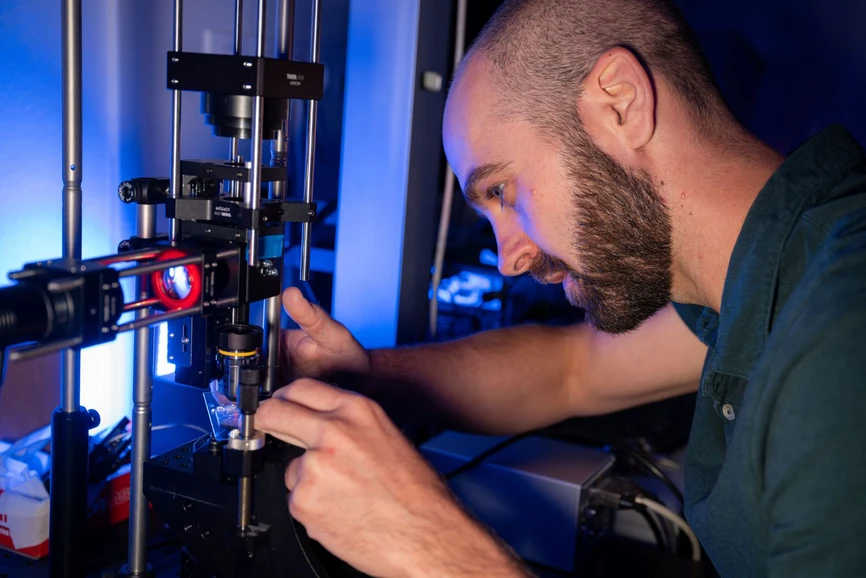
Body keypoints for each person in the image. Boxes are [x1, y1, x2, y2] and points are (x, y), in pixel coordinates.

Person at [255, 0, 866, 576]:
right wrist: (362, 379)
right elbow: (573, 368)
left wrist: (431, 546)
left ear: (620, 103)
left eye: (502, 192)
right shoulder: (768, 269)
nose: (508, 261)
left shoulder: (841, 325)